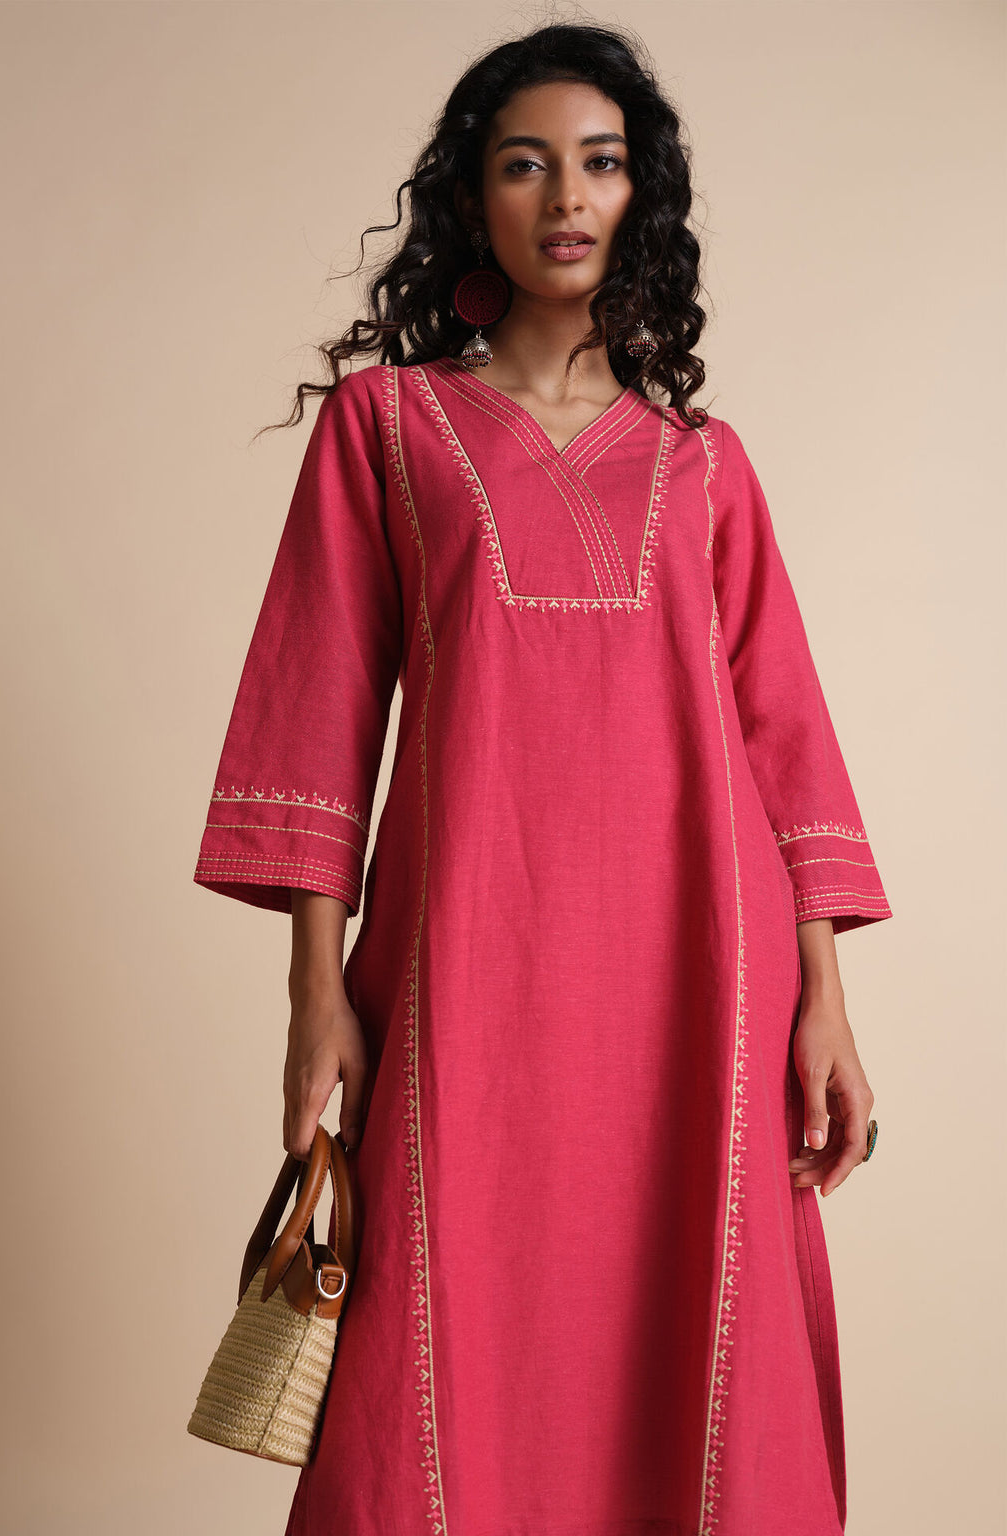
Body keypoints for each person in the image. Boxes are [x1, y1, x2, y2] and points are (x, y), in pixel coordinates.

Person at [193, 22, 891, 1536]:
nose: (565, 195)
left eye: (600, 162)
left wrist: (822, 997)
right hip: (467, 971)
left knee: (694, 1339)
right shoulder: (388, 430)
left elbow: (784, 744)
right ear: (474, 199)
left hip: (703, 979)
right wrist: (317, 993)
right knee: (442, 1354)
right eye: (525, 164)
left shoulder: (706, 465)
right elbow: (318, 719)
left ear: (642, 200)